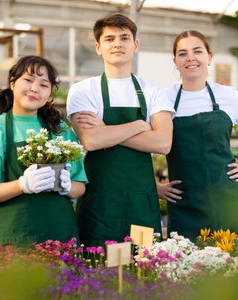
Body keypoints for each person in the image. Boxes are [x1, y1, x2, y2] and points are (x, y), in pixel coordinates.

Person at [66, 13, 174, 247]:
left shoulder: (154, 91)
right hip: (99, 204)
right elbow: (91, 141)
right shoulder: (83, 90)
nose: (117, 44)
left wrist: (107, 131)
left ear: (135, 45)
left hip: (141, 204)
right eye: (109, 39)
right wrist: (139, 126)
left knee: (145, 273)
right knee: (96, 272)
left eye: (124, 38)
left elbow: (163, 143)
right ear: (98, 47)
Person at [158, 30, 238, 241]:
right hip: (185, 202)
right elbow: (144, 142)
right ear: (175, 61)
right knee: (186, 266)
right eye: (182, 53)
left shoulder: (227, 95)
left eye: (197, 51)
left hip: (228, 198)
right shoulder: (163, 98)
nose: (190, 58)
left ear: (209, 58)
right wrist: (154, 186)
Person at [0, 55, 87, 247]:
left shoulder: (61, 130)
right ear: (12, 83)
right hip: (13, 237)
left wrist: (66, 187)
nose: (34, 88)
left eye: (44, 84)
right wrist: (22, 185)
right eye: (28, 80)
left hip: (60, 234)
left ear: (49, 93)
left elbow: (80, 186)